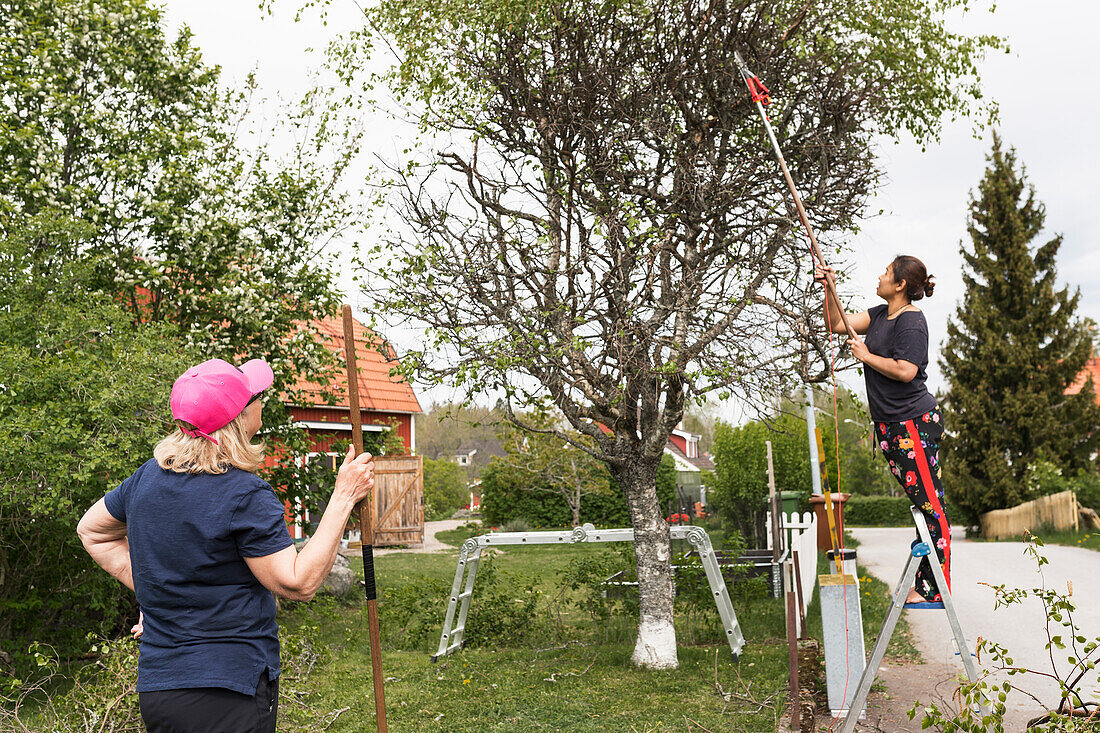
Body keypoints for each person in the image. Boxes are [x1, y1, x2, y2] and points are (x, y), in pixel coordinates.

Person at [77, 358, 375, 732]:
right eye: (256, 396)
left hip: (160, 692)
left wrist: (158, 597)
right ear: (241, 416)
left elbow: (92, 531)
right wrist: (344, 495)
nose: (261, 402)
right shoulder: (244, 493)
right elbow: (298, 582)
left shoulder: (146, 479)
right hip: (228, 692)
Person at [814, 256, 948, 605]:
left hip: (913, 423)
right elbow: (835, 322)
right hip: (890, 425)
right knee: (922, 504)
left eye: (887, 273)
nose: (880, 275)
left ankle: (934, 590)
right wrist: (829, 287)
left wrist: (866, 356)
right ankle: (926, 583)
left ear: (901, 284)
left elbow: (906, 370)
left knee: (931, 504)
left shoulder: (912, 322)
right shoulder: (877, 316)